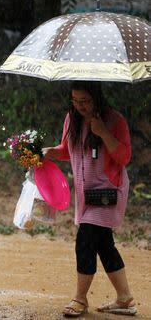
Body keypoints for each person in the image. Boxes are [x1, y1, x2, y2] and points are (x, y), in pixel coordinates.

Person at [43, 81, 137, 317]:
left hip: (107, 191)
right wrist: (48, 152)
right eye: (75, 100)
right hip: (85, 193)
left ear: (96, 97)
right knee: (103, 243)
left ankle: (80, 298)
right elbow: (67, 150)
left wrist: (104, 132)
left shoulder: (115, 120)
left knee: (85, 239)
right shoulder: (71, 118)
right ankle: (124, 298)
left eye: (84, 101)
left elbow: (124, 156)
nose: (79, 105)